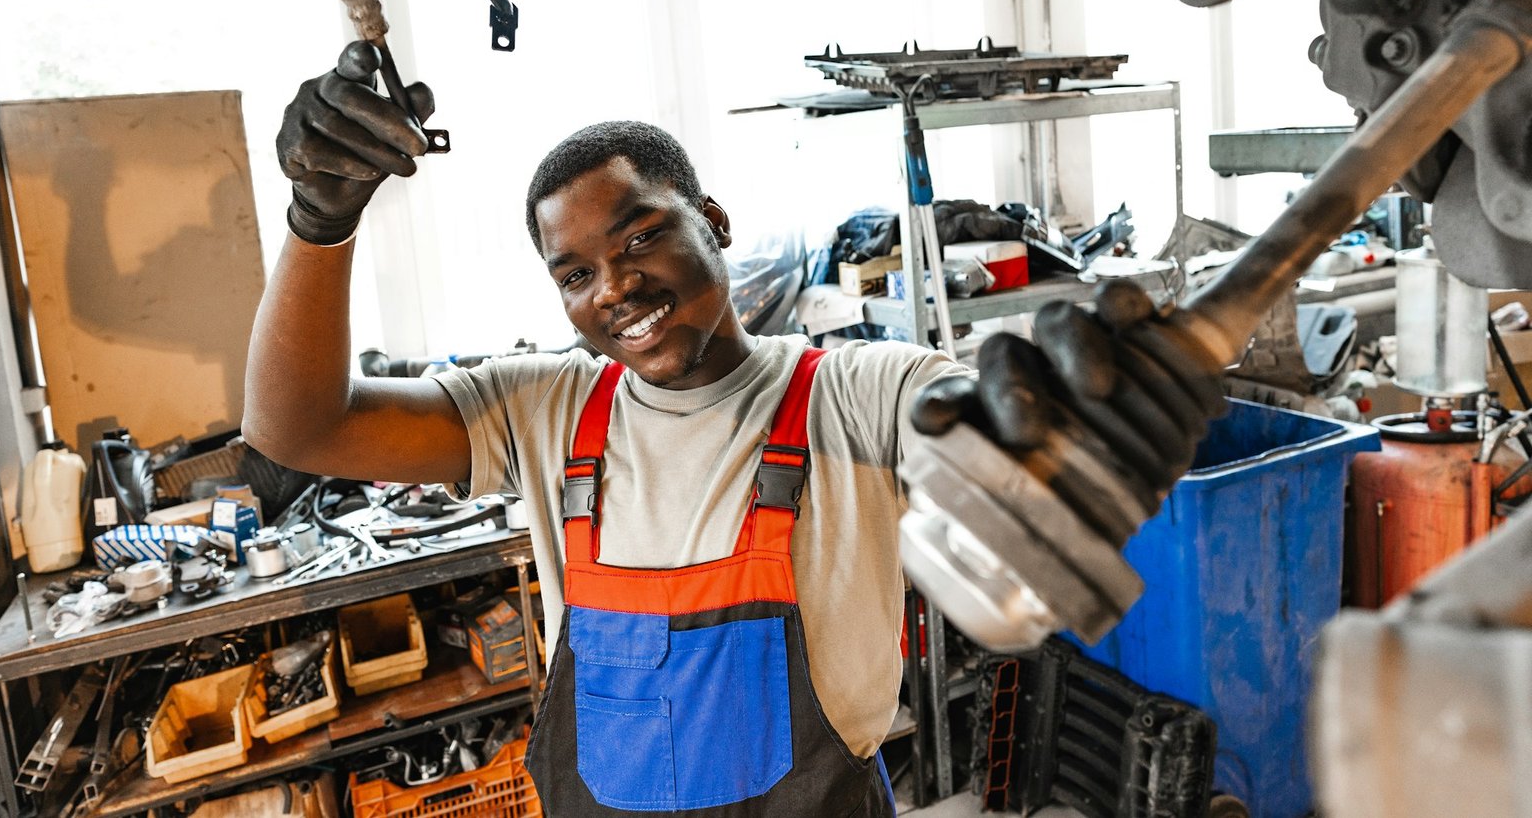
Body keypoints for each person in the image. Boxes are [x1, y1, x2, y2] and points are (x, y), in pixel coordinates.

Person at [245, 42, 1222, 818]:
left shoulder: (851, 394)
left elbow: (973, 431)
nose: (616, 285)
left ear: (711, 217)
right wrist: (317, 221)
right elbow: (301, 428)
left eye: (641, 236)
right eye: (576, 272)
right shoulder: (545, 414)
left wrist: (1051, 414)